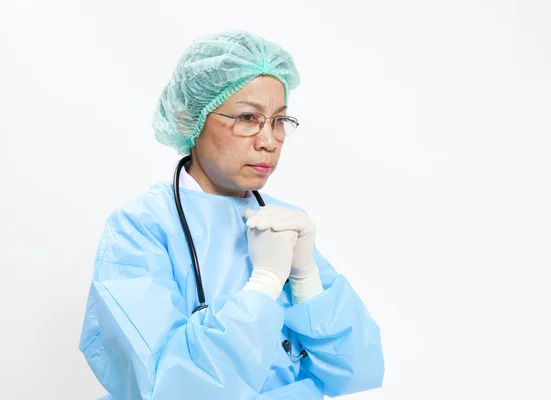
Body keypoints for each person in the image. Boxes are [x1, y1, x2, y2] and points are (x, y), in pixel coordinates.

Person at [79, 30, 384, 400]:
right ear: (191, 117)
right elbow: (166, 388)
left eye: (279, 121)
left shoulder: (280, 221)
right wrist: (265, 285)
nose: (269, 140)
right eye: (247, 118)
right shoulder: (142, 227)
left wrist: (306, 282)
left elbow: (352, 371)